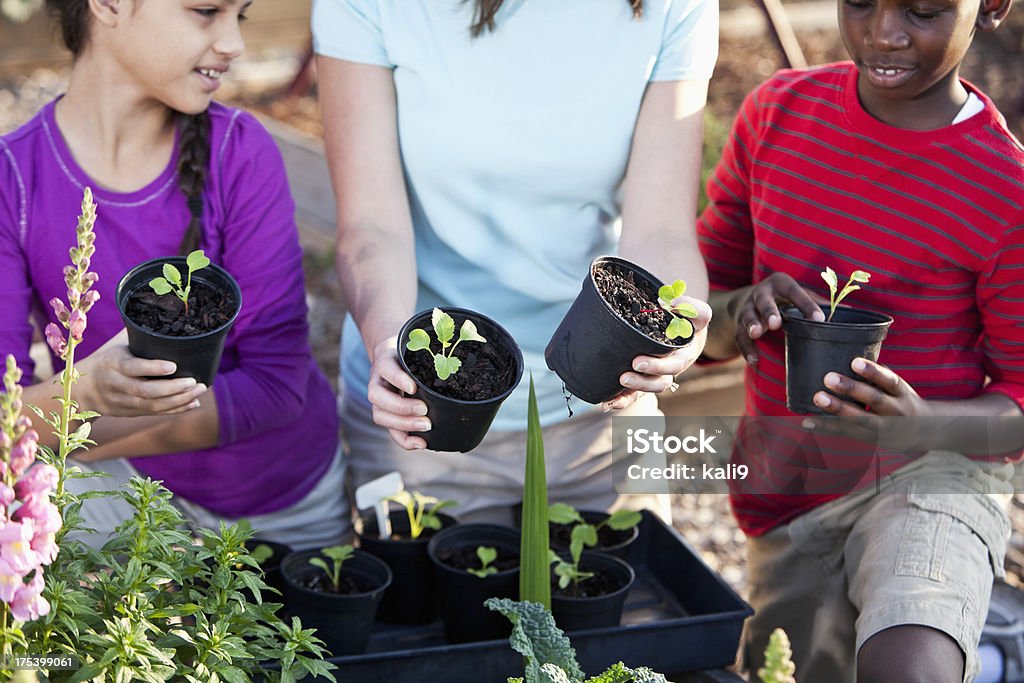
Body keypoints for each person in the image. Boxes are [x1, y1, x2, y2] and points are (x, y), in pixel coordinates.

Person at [697, 0, 1024, 678]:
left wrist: (920, 423)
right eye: (860, 4)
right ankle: (995, 657)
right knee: (797, 667)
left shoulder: (1005, 188)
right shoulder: (775, 115)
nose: (884, 32)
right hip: (788, 483)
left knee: (909, 660)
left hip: (934, 465)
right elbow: (699, 322)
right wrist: (742, 312)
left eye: (925, 10)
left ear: (990, 8)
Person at [312, 0, 717, 524]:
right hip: (427, 416)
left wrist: (674, 330)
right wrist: (390, 349)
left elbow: (660, 229)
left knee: (634, 601)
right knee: (432, 606)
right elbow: (372, 227)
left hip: (600, 412)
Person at [0, 0, 348, 550]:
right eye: (206, 11)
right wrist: (87, 388)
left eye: (242, 16)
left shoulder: (241, 152)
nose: (234, 44)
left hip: (278, 504)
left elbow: (277, 386)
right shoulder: (13, 180)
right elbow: (6, 415)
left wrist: (76, 414)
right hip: (126, 487)